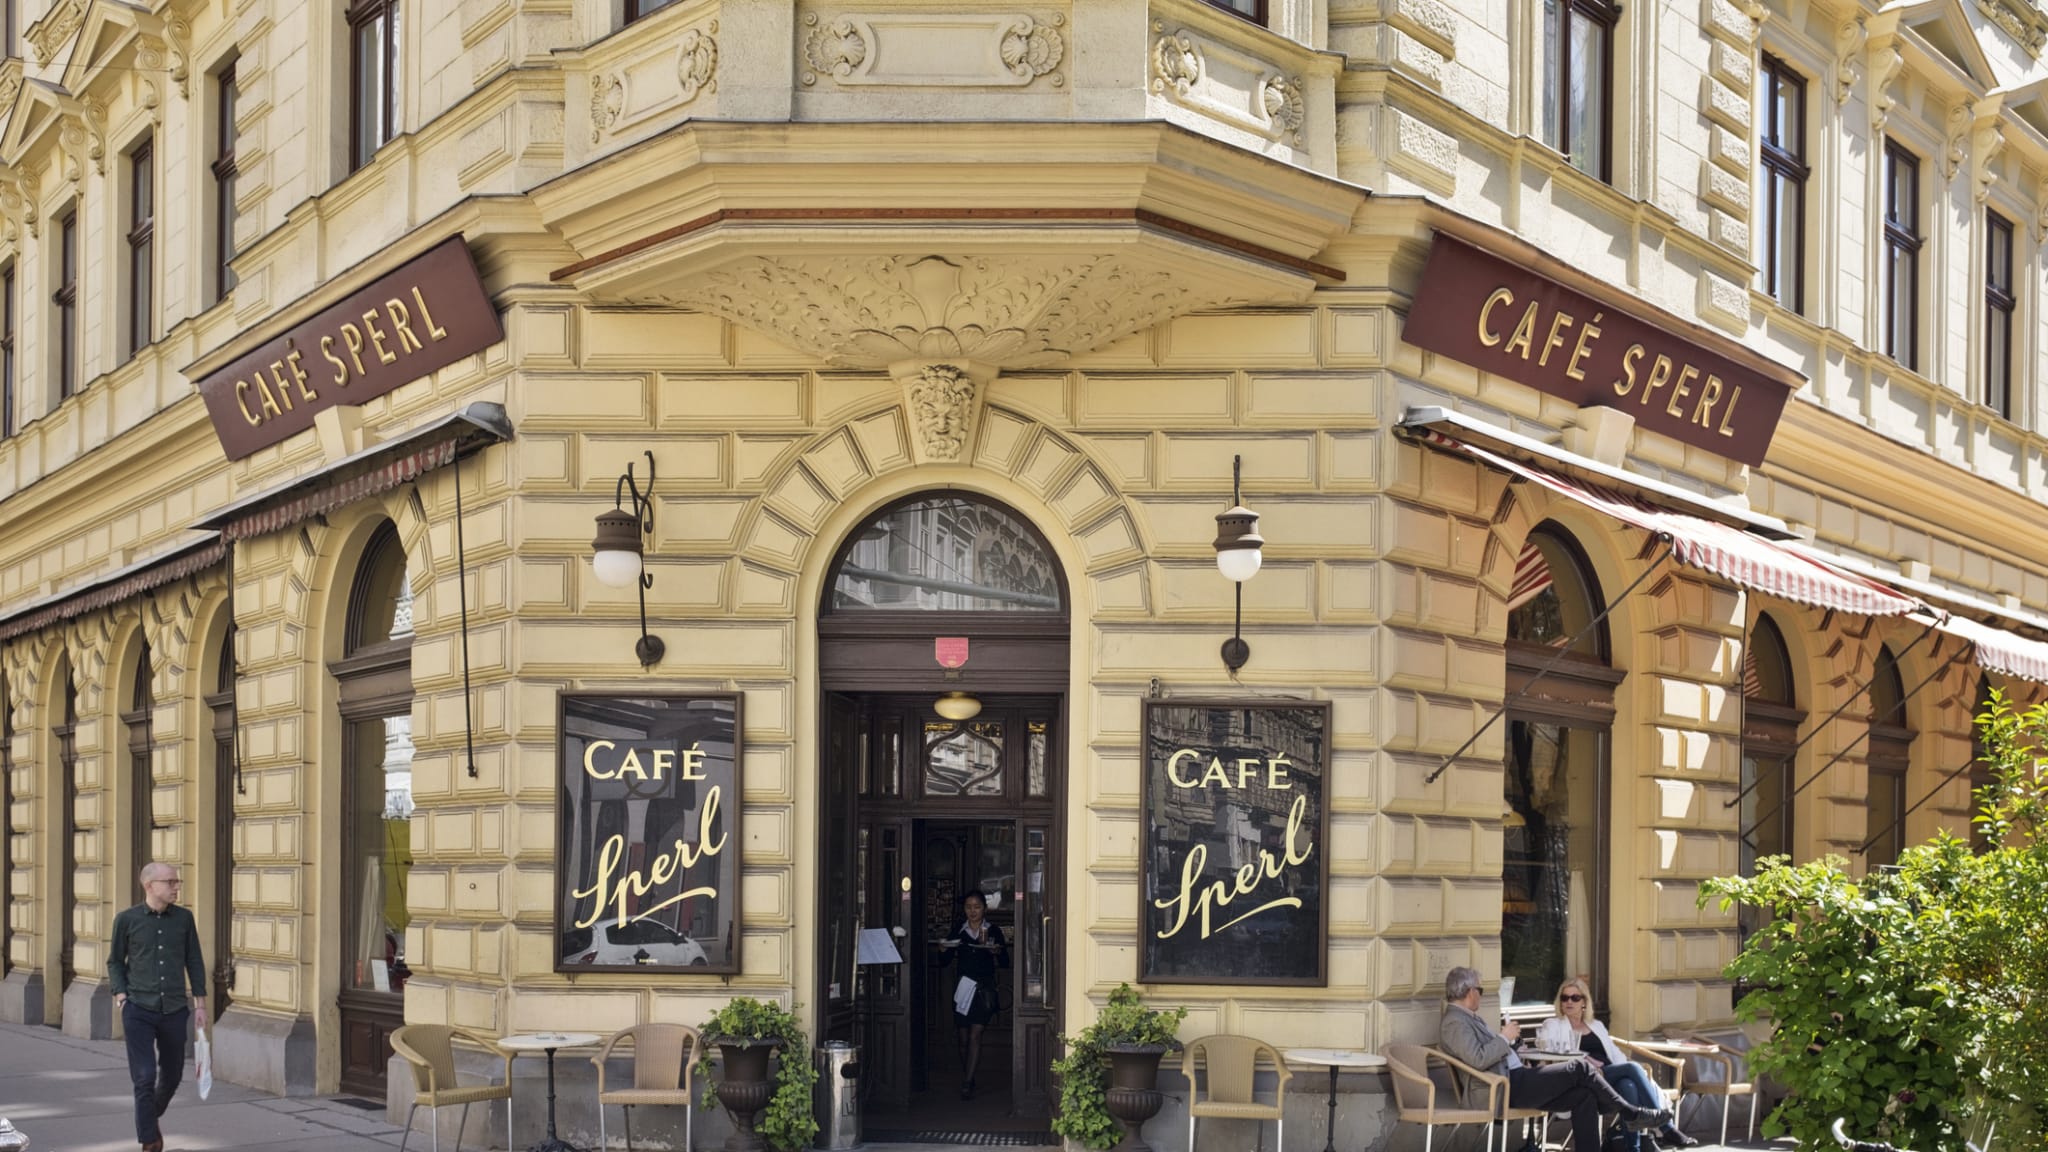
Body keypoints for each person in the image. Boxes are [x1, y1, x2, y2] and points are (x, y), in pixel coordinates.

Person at [1438, 967, 1669, 1152]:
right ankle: (1630, 1112)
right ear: (1470, 991)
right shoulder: (1455, 1022)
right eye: (1480, 989)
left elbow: (1489, 1052)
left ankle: (1630, 1115)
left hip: (1518, 1078)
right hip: (1506, 1086)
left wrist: (1515, 1048)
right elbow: (1478, 1059)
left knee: (1584, 1096)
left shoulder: (1467, 1018)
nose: (1480, 994)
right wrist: (1503, 1038)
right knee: (1579, 1067)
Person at [108, 862, 209, 1152]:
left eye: (177, 881)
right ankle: (150, 1141)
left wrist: (200, 1005)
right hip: (138, 1007)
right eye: (170, 881)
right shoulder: (126, 920)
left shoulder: (184, 919)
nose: (177, 887)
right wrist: (121, 995)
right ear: (149, 886)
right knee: (144, 1077)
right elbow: (115, 961)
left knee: (173, 1075)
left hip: (175, 1008)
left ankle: (149, 1119)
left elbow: (194, 960)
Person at [1536, 977, 1698, 1150]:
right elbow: (1552, 1051)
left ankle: (1634, 1148)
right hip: (1586, 1078)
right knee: (1632, 1068)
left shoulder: (1596, 1025)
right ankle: (1667, 1128)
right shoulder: (1552, 1025)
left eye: (1575, 998)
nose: (1569, 1002)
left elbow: (1616, 1055)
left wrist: (1624, 1071)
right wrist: (1586, 1059)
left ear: (1584, 1002)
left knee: (1628, 1085)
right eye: (1564, 998)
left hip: (1608, 1076)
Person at [941, 891, 1007, 1099]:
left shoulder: (993, 930)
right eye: (968, 906)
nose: (972, 911)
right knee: (962, 1038)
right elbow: (945, 962)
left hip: (983, 989)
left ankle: (967, 1083)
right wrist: (944, 950)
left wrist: (996, 951)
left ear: (984, 909)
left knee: (975, 1034)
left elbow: (1005, 962)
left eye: (976, 906)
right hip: (963, 989)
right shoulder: (958, 932)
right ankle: (968, 1073)